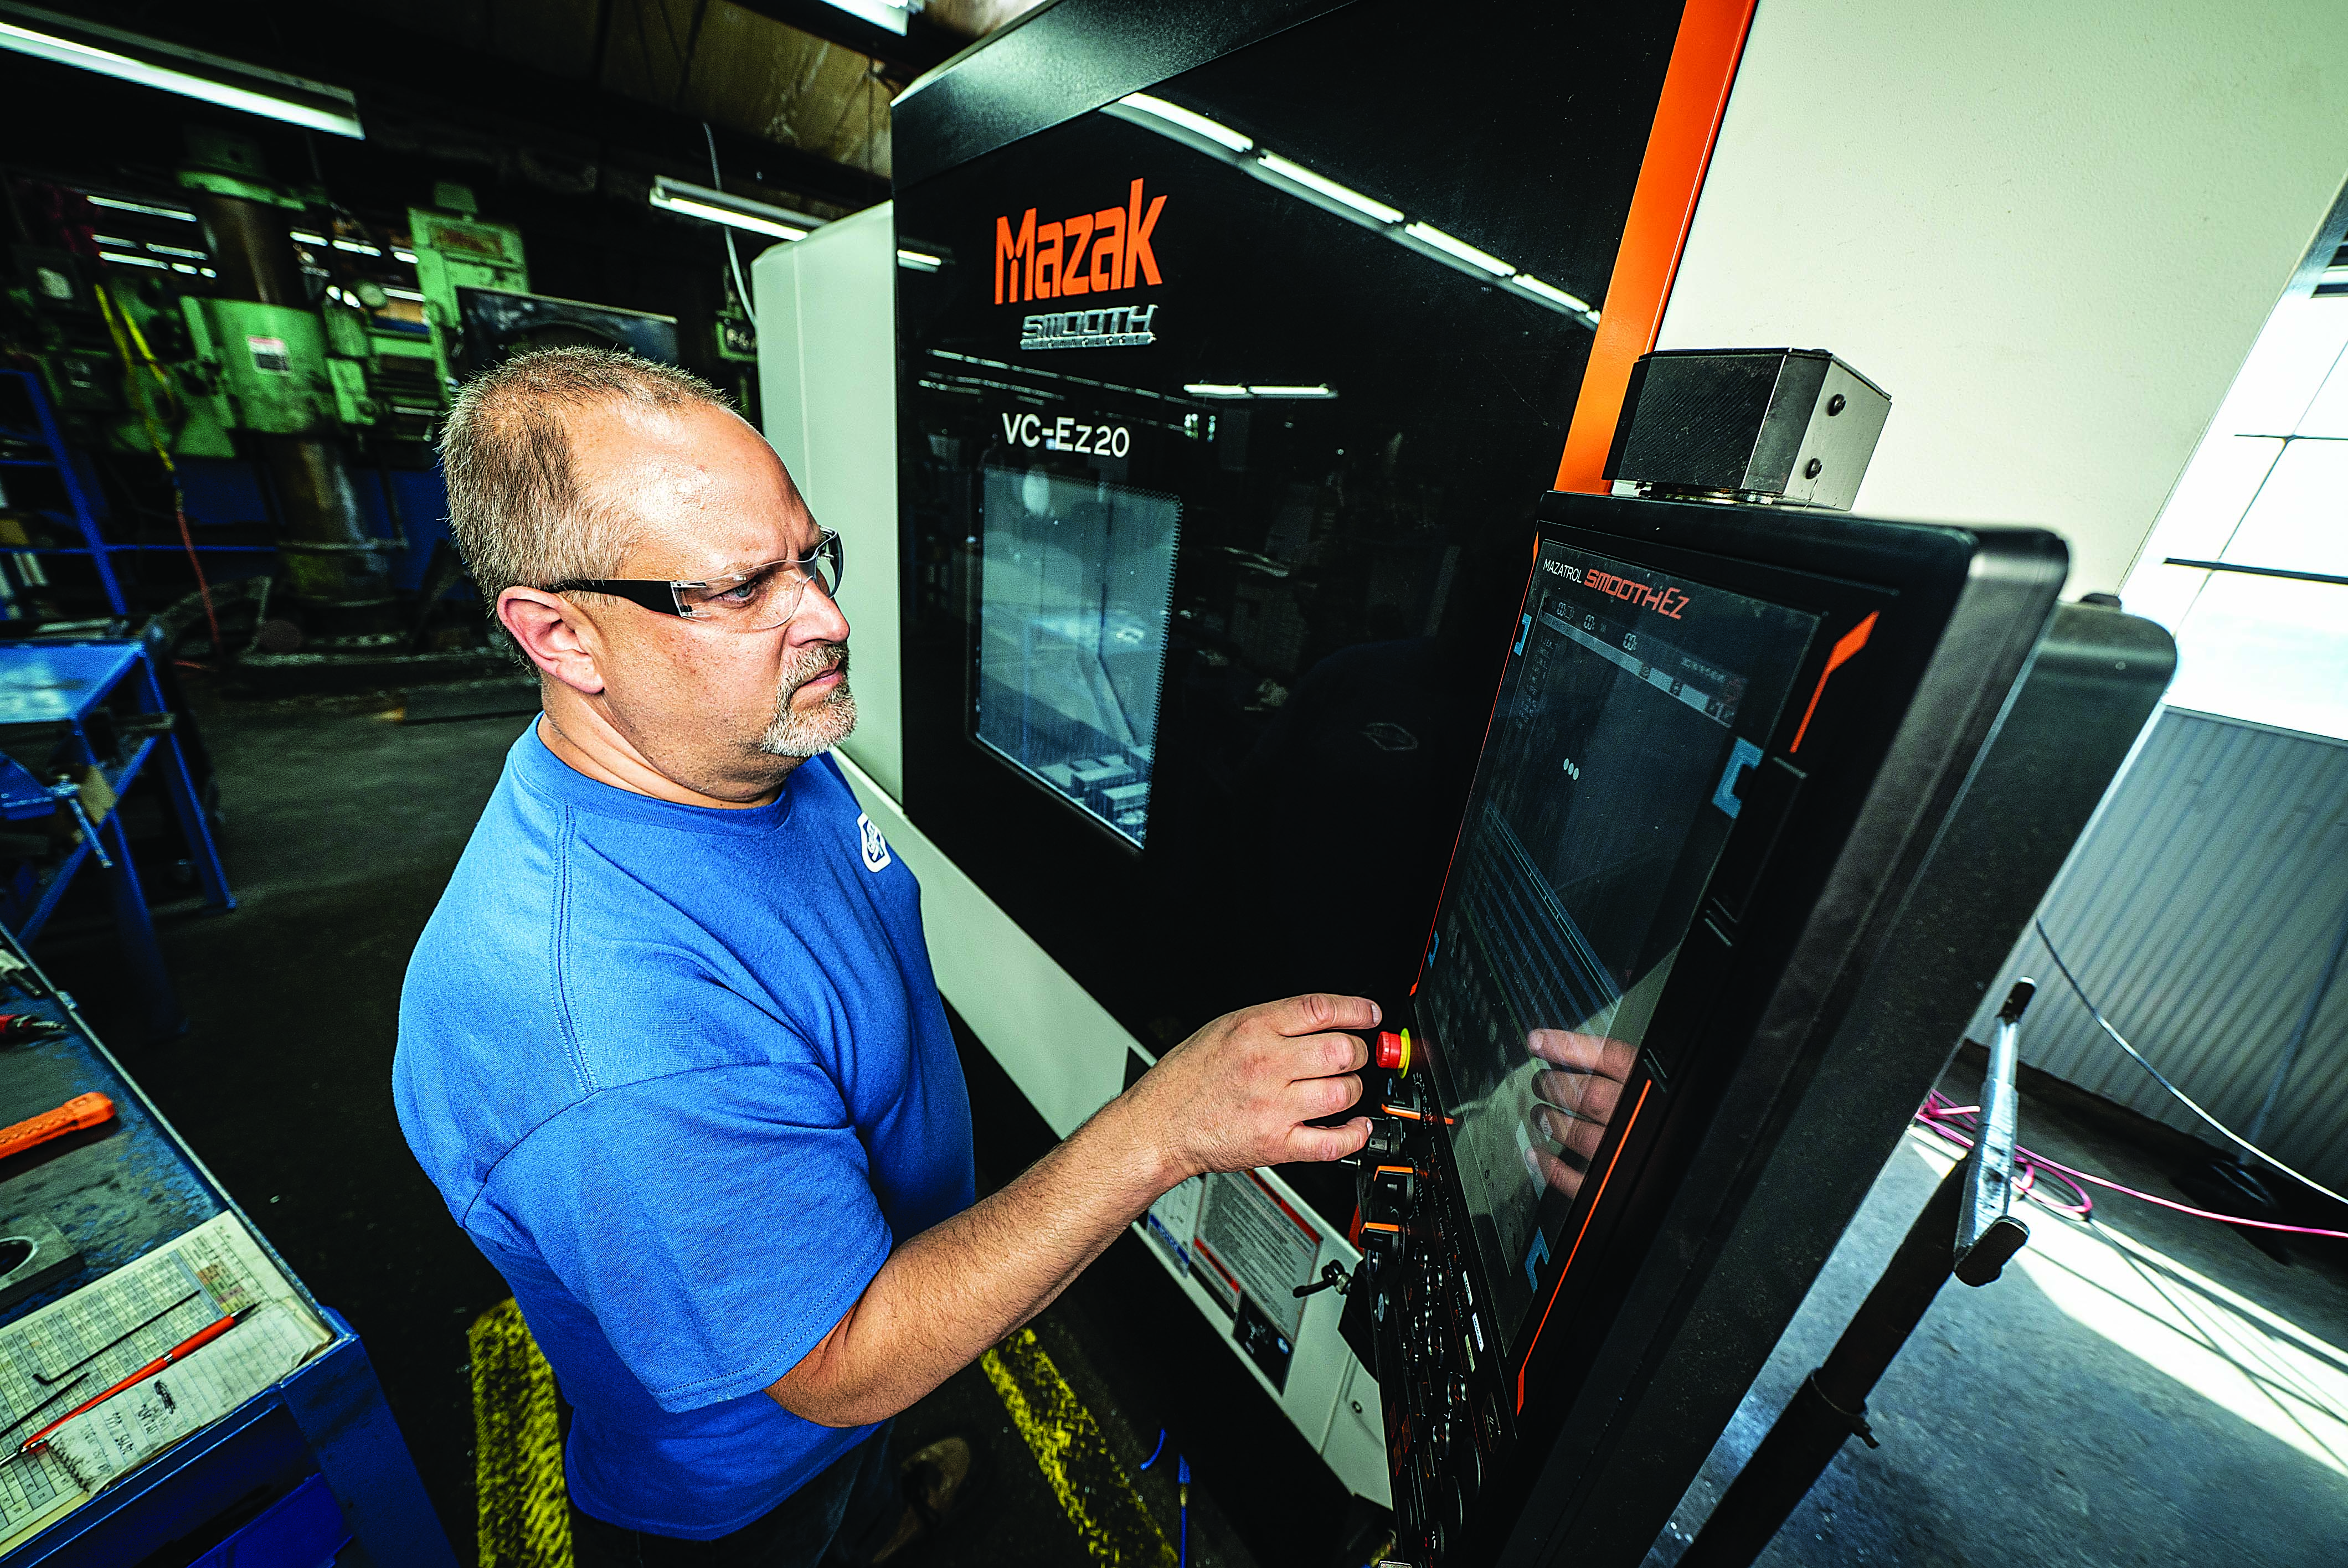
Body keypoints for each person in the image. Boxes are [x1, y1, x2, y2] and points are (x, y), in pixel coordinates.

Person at [391, 347, 1376, 1565]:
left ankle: (874, 1515)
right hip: (738, 1499)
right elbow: (842, 1364)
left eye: (811, 556)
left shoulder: (734, 750)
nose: (826, 617)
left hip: (837, 1413)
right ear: (560, 635)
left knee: (855, 1489)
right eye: (742, 588)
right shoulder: (606, 1031)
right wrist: (1162, 1125)